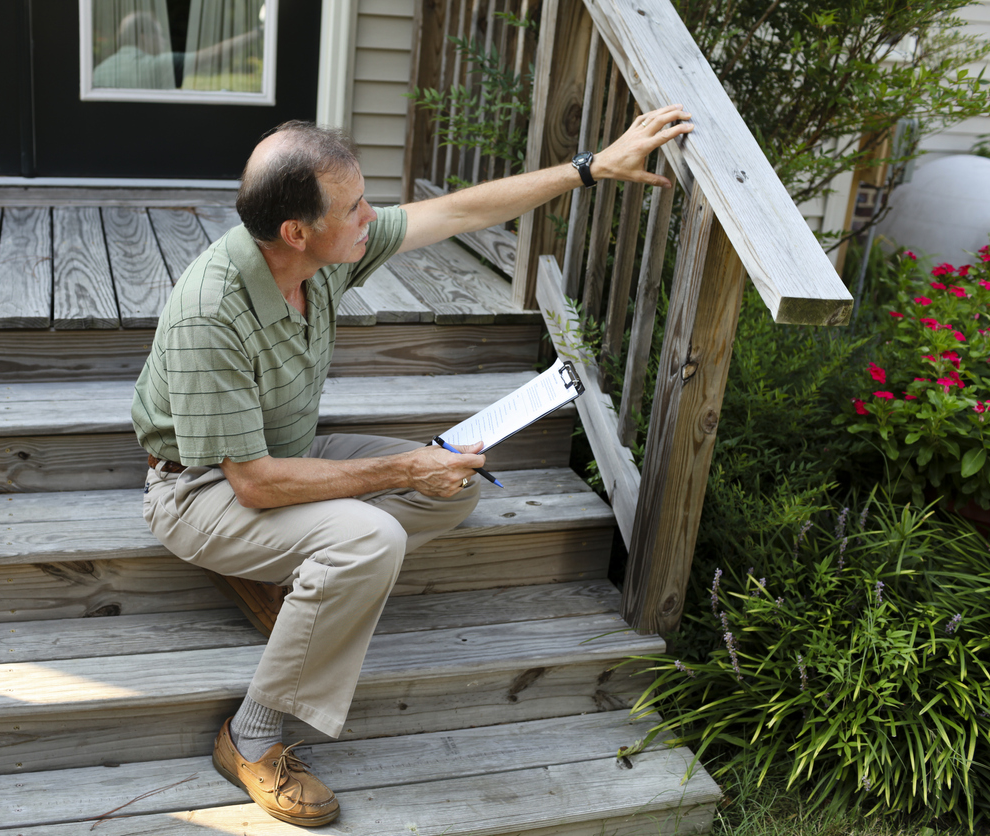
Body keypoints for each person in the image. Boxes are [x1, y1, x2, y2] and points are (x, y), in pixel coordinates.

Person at [131, 107, 692, 826]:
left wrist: (589, 167)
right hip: (200, 487)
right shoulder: (212, 310)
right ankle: (250, 737)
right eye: (354, 207)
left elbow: (455, 212)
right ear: (297, 232)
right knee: (371, 537)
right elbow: (254, 483)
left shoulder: (325, 252)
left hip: (281, 458)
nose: (372, 215)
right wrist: (402, 467)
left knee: (450, 493)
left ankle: (293, 580)